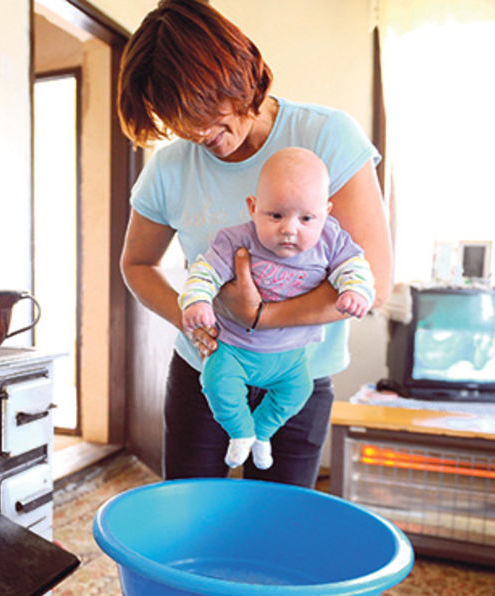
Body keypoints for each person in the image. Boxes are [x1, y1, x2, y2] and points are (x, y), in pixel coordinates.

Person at [118, 0, 392, 485]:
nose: (199, 132)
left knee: (279, 532)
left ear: (238, 76)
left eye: (207, 112)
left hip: (297, 375)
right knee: (190, 515)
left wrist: (260, 317)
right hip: (207, 370)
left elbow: (377, 283)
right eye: (178, 119)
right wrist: (192, 318)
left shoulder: (326, 137)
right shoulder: (170, 167)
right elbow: (137, 263)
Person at [180, 147, 375, 470]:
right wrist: (197, 300)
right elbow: (204, 271)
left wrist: (355, 289)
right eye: (276, 215)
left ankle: (263, 432)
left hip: (290, 357)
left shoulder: (331, 240)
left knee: (299, 390)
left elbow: (357, 266)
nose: (290, 229)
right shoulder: (236, 239)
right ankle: (241, 432)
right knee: (216, 383)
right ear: (253, 208)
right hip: (235, 350)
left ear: (325, 213)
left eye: (306, 219)